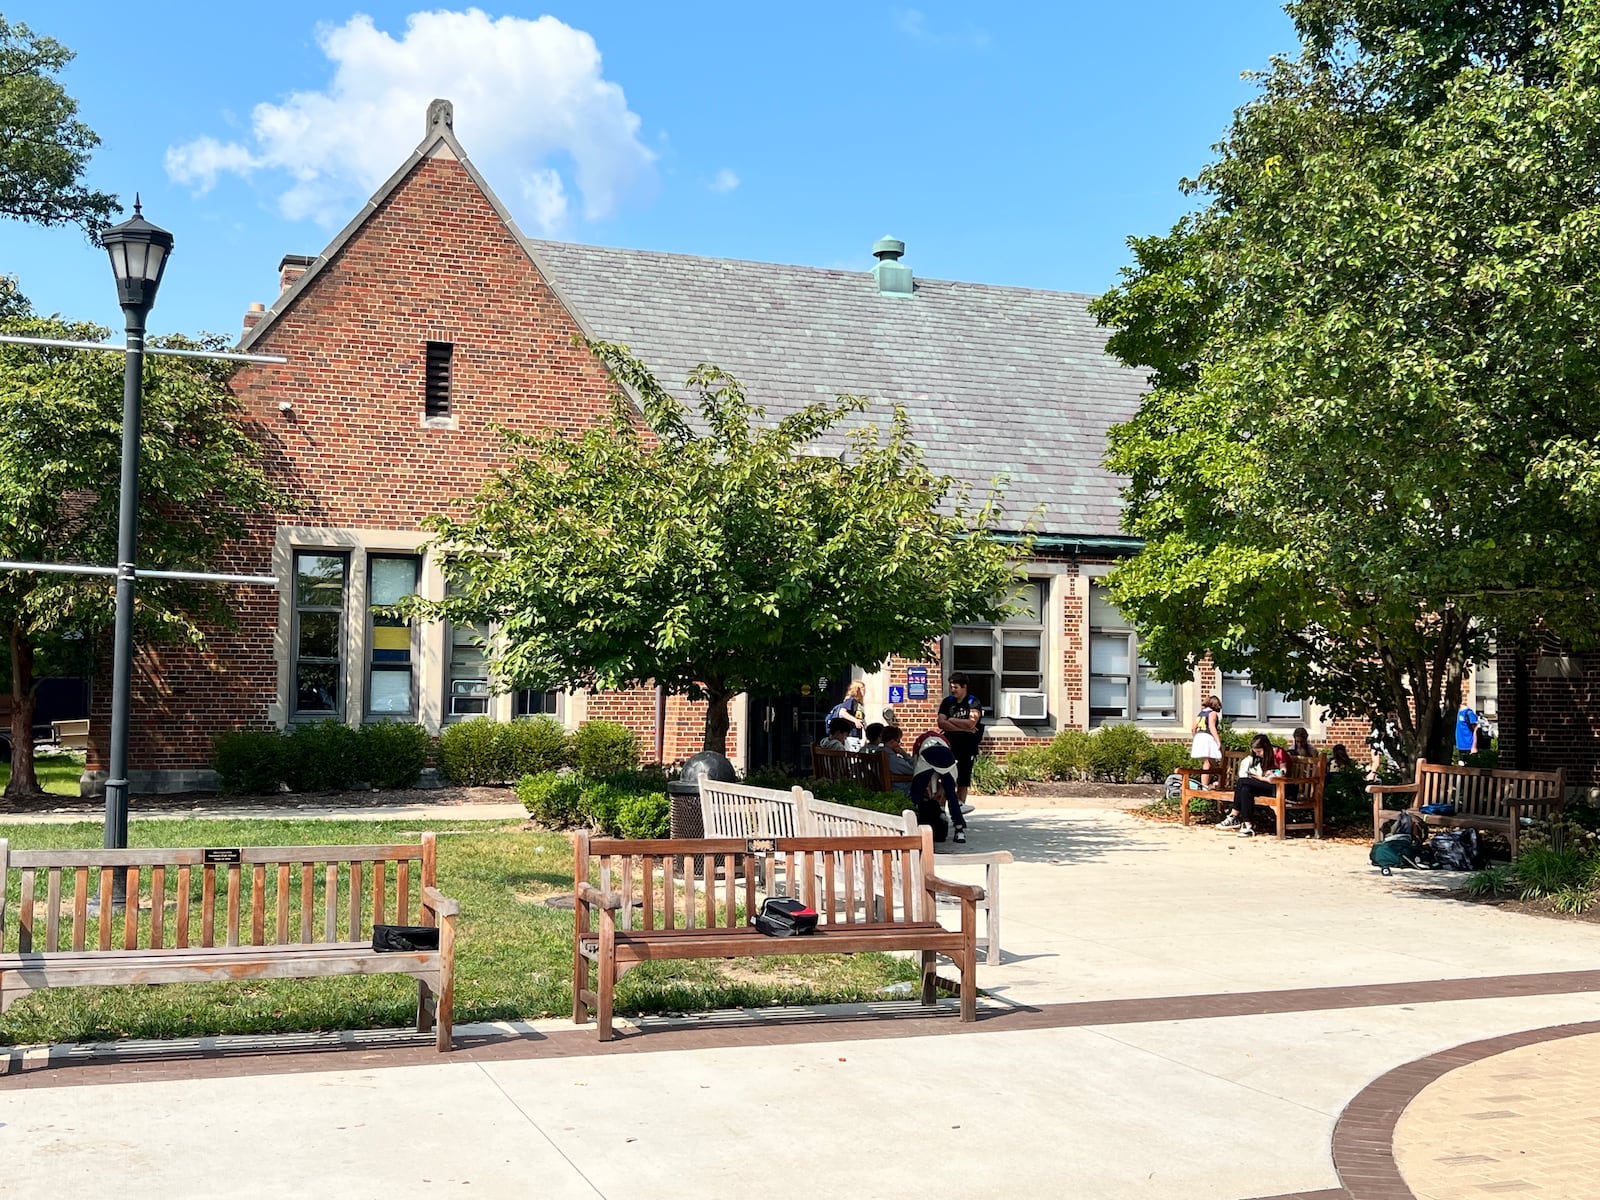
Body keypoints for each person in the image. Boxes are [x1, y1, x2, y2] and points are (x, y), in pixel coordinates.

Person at [937, 673, 984, 813]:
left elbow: (971, 722)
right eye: (951, 687)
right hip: (949, 746)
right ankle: (941, 809)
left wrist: (951, 720)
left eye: (955, 687)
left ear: (964, 687)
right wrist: (961, 727)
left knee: (963, 779)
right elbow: (941, 723)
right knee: (947, 778)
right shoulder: (947, 702)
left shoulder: (973, 702)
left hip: (967, 747)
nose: (953, 690)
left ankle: (959, 808)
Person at [1219, 734, 1282, 837]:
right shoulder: (1263, 757)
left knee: (1242, 781)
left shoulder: (1279, 753)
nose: (1257, 754)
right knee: (1245, 789)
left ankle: (1234, 815)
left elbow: (1284, 772)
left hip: (1279, 787)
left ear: (1266, 747)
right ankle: (1247, 825)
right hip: (1266, 784)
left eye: (1259, 751)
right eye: (1255, 752)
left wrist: (1269, 775)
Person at [910, 730, 965, 842]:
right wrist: (943, 789)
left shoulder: (919, 741)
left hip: (927, 755)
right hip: (947, 757)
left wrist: (925, 786)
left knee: (916, 792)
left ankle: (912, 825)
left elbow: (915, 764)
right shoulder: (945, 742)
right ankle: (959, 831)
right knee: (951, 794)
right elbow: (941, 770)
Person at [1189, 694, 1223, 788]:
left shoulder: (1200, 714)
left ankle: (1213, 782)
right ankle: (1204, 786)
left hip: (1198, 737)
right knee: (1207, 762)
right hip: (1207, 737)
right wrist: (1218, 741)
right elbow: (1212, 727)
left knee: (1211, 762)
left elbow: (1193, 728)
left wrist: (1196, 738)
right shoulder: (1212, 713)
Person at [881, 725, 916, 795]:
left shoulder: (879, 754)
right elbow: (915, 770)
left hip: (885, 788)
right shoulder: (894, 760)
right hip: (902, 791)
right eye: (898, 741)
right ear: (892, 741)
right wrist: (904, 754)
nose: (900, 744)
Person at [1456, 697, 1479, 762]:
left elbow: (1475, 729)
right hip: (1459, 746)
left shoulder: (1468, 713)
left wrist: (1474, 746)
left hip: (1469, 746)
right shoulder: (1456, 712)